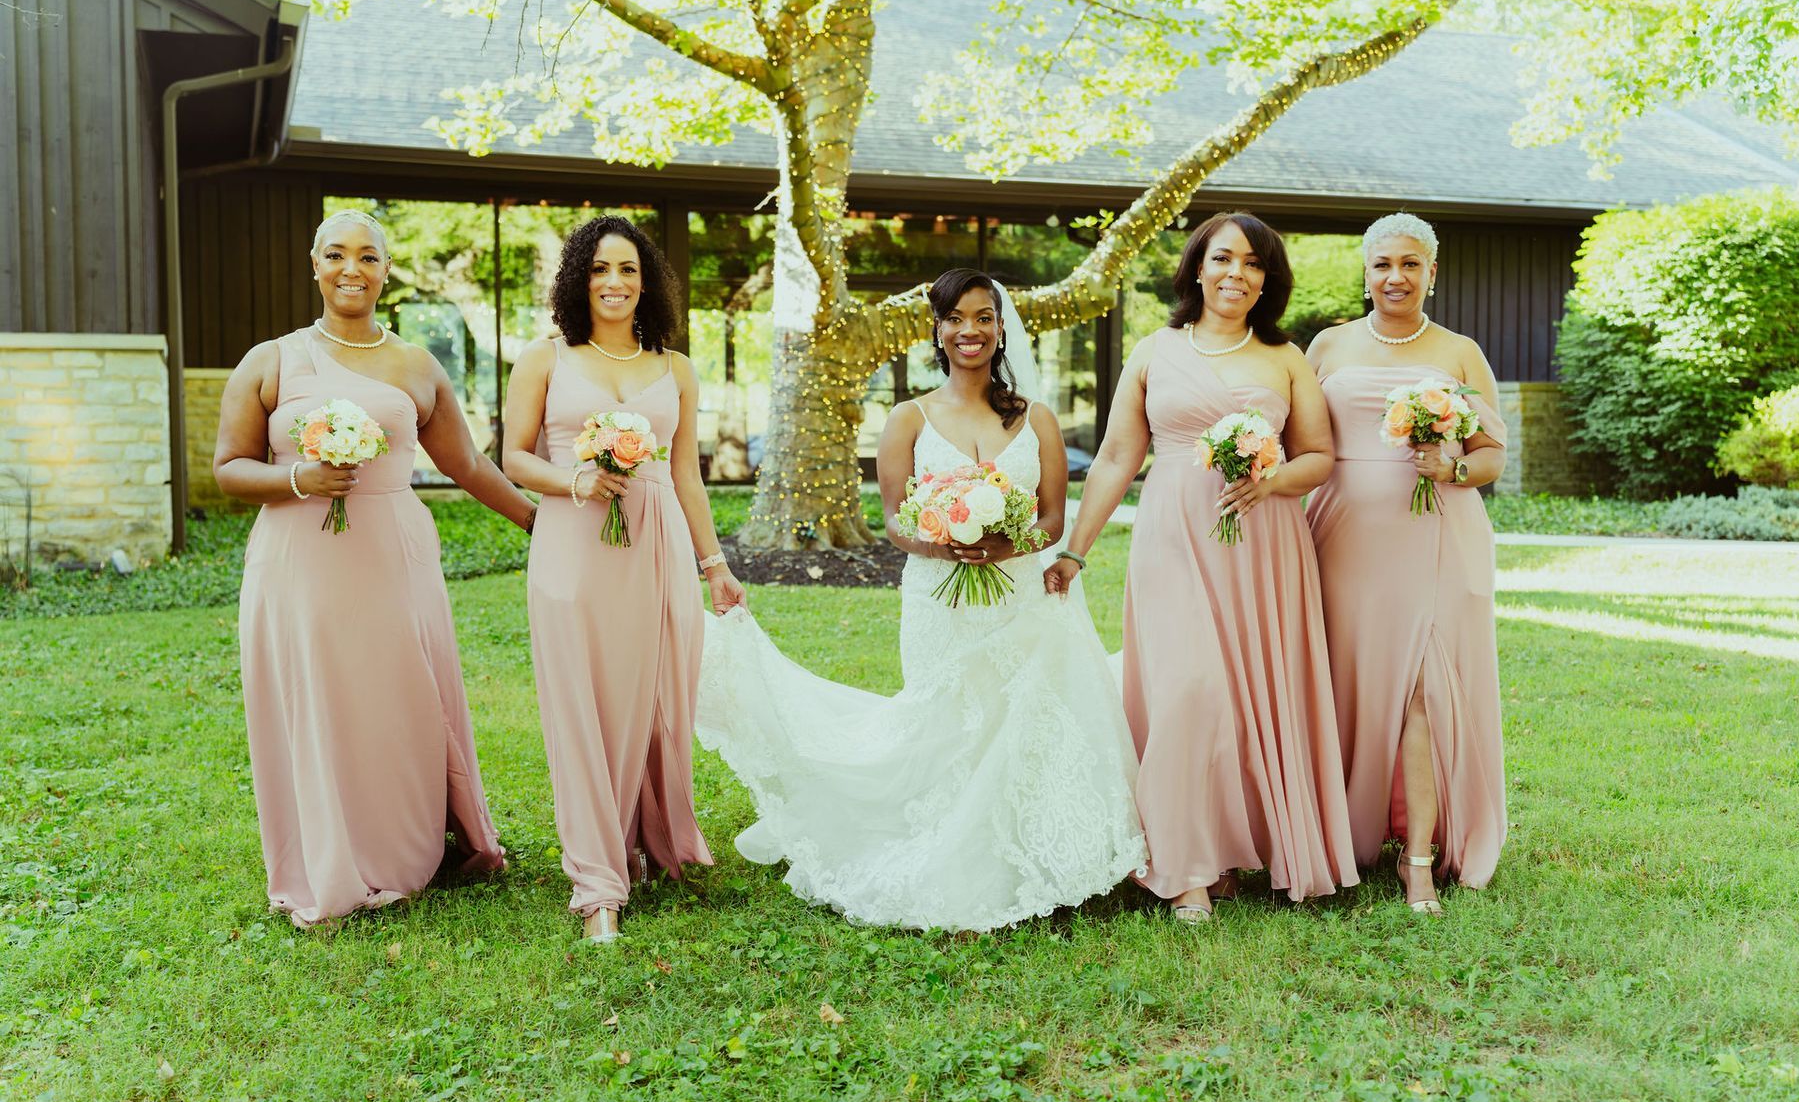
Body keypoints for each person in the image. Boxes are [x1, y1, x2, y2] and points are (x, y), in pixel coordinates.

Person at [694, 270, 1146, 933]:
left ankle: (1026, 858)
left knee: (1019, 718)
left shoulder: (1036, 420)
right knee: (949, 720)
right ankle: (951, 853)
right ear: (936, 329)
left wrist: (1008, 538)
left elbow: (1052, 518)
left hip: (1018, 592)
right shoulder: (909, 418)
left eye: (985, 317)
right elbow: (894, 522)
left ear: (1000, 328)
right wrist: (942, 543)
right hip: (938, 597)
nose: (971, 330)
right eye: (957, 318)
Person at [213, 208, 533, 925]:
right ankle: (329, 856)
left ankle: (408, 846)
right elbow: (229, 468)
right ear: (314, 264)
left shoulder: (416, 365)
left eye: (367, 256)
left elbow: (469, 465)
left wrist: (540, 524)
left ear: (387, 270)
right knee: (323, 701)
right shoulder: (271, 359)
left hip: (395, 556)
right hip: (299, 562)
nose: (351, 269)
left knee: (400, 699)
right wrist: (299, 480)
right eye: (336, 254)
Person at [1045, 212, 1356, 922]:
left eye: (1252, 264)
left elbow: (1319, 456)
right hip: (1174, 536)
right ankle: (1182, 868)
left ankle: (1225, 855)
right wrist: (1074, 550)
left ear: (1267, 281)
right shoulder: (1155, 349)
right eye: (1222, 259)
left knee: (1248, 698)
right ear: (1195, 267)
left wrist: (1272, 480)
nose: (1235, 274)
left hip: (1263, 543)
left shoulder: (1285, 357)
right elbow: (1121, 457)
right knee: (1187, 689)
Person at [502, 215, 743, 942]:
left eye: (629, 270)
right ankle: (597, 884)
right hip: (573, 547)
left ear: (648, 285)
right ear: (578, 277)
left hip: (659, 544)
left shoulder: (675, 369)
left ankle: (646, 839)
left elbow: (686, 477)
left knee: (657, 697)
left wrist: (714, 564)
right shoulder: (544, 359)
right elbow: (513, 458)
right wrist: (575, 478)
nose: (614, 283)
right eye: (601, 269)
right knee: (583, 703)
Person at [1304, 211, 1509, 913]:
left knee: (1422, 690)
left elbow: (1492, 455)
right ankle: (1340, 838)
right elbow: (1300, 440)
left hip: (1435, 540)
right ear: (1365, 272)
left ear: (1432, 273)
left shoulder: (1458, 352)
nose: (1396, 277)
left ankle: (1418, 860)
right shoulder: (1327, 346)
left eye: (1410, 265)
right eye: (1383, 264)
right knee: (1347, 688)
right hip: (1342, 543)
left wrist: (1450, 465)